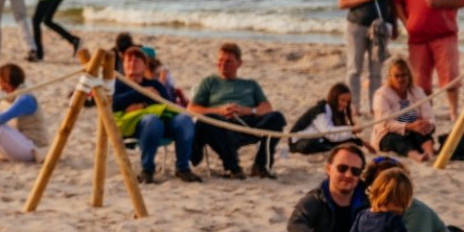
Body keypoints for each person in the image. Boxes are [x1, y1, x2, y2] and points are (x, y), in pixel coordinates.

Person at [188, 43, 287, 179]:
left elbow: (266, 108)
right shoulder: (209, 82)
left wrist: (248, 110)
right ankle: (233, 168)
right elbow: (192, 109)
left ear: (239, 63)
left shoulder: (250, 84)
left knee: (277, 118)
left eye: (228, 61)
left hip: (248, 124)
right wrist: (219, 111)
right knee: (208, 120)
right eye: (220, 60)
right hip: (221, 124)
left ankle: (260, 165)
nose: (223, 64)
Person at [396, 0, 464, 121]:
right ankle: (428, 112)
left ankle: (453, 112)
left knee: (450, 77)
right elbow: (397, 2)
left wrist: (441, 3)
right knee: (420, 81)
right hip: (417, 38)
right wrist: (407, 22)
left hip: (444, 35)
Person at [112, 48, 200, 184]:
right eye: (129, 59)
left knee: (184, 120)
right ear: (123, 65)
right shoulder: (119, 85)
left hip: (163, 122)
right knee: (152, 121)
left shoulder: (154, 84)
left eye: (137, 59)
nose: (132, 62)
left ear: (144, 65)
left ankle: (183, 168)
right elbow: (114, 104)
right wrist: (143, 93)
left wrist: (141, 105)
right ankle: (147, 169)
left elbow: (167, 105)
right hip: (136, 125)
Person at [340, 0, 398, 116]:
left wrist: (395, 25)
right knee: (354, 68)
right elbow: (342, 3)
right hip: (356, 26)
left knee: (375, 69)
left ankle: (375, 106)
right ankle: (354, 106)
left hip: (380, 28)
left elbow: (392, 2)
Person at [371, 58, 438, 161]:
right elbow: (387, 123)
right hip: (388, 134)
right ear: (390, 77)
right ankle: (416, 156)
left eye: (403, 75)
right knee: (396, 139)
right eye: (396, 76)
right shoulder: (382, 94)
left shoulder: (417, 91)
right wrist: (410, 126)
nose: (400, 79)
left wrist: (428, 125)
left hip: (414, 130)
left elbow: (429, 115)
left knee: (422, 131)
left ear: (409, 76)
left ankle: (430, 154)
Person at [290, 83, 363, 155]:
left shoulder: (334, 112)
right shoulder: (321, 109)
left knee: (352, 142)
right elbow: (328, 132)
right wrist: (351, 129)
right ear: (334, 97)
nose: (345, 104)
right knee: (312, 145)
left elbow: (334, 133)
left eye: (347, 102)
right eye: (342, 100)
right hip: (299, 141)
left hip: (320, 139)